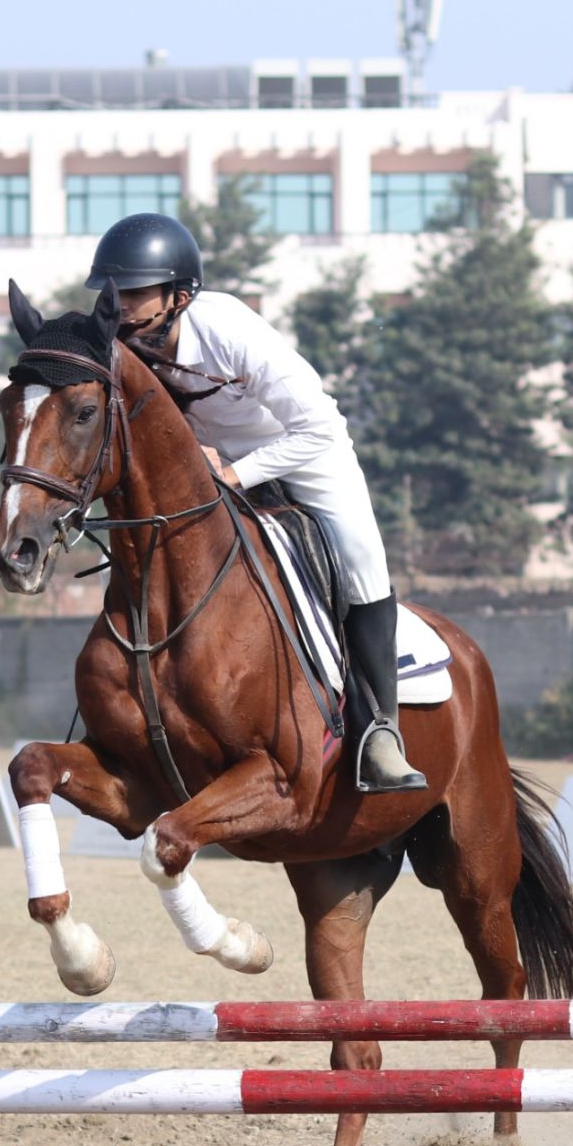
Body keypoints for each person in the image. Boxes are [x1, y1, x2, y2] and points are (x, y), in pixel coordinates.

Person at [84, 211, 427, 795]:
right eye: (115, 293)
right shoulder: (124, 346)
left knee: (364, 562)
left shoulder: (228, 330)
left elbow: (319, 425)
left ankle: (382, 732)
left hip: (305, 453)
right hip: (215, 470)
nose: (123, 306)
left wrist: (238, 472)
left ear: (180, 295)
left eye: (137, 293)